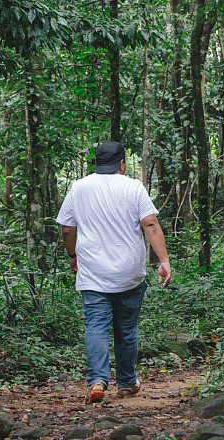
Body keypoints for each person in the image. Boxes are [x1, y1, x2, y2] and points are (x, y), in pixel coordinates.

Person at [56, 141, 172, 404]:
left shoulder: (79, 187)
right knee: (126, 329)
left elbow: (66, 229)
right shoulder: (133, 187)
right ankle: (128, 384)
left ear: (96, 163)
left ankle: (97, 381)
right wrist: (163, 260)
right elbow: (150, 223)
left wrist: (73, 255)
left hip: (93, 274)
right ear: (122, 163)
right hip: (129, 273)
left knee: (96, 326)